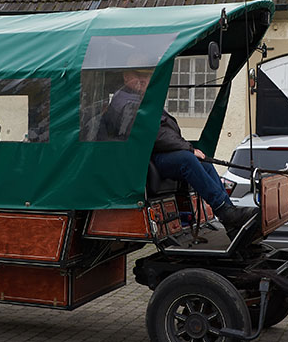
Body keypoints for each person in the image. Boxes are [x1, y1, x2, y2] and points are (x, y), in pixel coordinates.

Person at [101, 69, 258, 237]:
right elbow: (154, 134)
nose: (142, 80)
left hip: (150, 155)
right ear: (126, 76)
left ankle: (229, 214)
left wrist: (189, 149)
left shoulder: (142, 100)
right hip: (141, 161)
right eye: (137, 75)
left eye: (146, 76)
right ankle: (224, 211)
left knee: (203, 161)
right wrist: (189, 148)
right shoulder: (124, 101)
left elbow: (162, 131)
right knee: (186, 159)